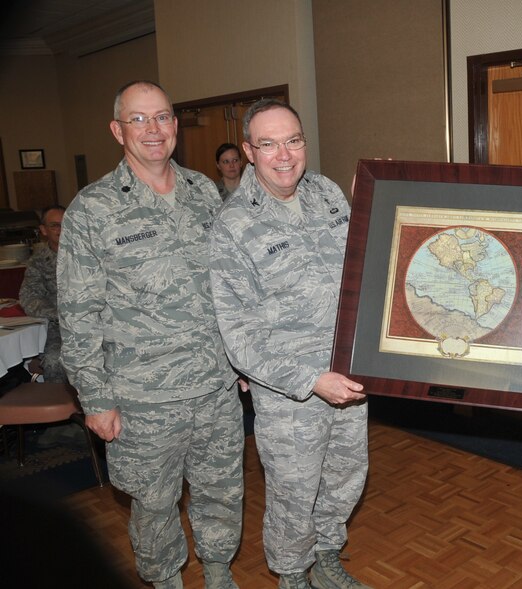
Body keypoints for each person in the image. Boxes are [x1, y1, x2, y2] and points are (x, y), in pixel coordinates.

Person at [56, 80, 244, 589]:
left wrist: (243, 359)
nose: (153, 129)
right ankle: (166, 582)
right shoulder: (92, 210)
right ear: (118, 130)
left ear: (176, 126)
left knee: (222, 493)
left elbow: (231, 284)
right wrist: (95, 399)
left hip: (216, 388)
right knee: (155, 503)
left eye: (161, 117)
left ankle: (220, 573)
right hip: (143, 398)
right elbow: (77, 313)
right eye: (138, 119)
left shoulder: (205, 191)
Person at [208, 98, 370, 589]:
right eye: (269, 143)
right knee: (294, 494)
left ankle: (326, 560)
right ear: (249, 151)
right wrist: (309, 380)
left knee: (344, 479)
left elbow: (362, 273)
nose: (285, 155)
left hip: (349, 373)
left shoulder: (328, 193)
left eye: (294, 140)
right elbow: (239, 335)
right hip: (290, 392)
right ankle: (292, 576)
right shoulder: (233, 226)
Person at [18, 205, 67, 383]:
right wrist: (57, 314)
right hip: (59, 329)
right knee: (54, 361)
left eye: (65, 223)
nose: (61, 229)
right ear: (43, 230)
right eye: (55, 225)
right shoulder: (38, 262)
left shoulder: (90, 255)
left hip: (96, 324)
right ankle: (62, 410)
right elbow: (29, 297)